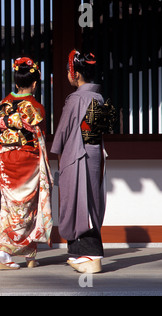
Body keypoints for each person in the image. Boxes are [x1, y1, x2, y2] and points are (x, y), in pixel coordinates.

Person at [51, 50, 115, 274]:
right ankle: (87, 253)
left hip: (76, 157)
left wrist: (59, 155)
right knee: (91, 201)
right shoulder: (99, 97)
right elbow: (101, 133)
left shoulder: (76, 98)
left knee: (78, 202)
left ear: (75, 74)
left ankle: (87, 255)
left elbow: (62, 134)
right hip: (95, 155)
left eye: (69, 71)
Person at [0, 57, 53, 270]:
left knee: (7, 207)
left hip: (6, 159)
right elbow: (41, 138)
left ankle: (4, 252)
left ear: (16, 82)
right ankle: (29, 255)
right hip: (29, 160)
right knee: (29, 207)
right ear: (35, 84)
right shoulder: (37, 108)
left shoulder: (3, 105)